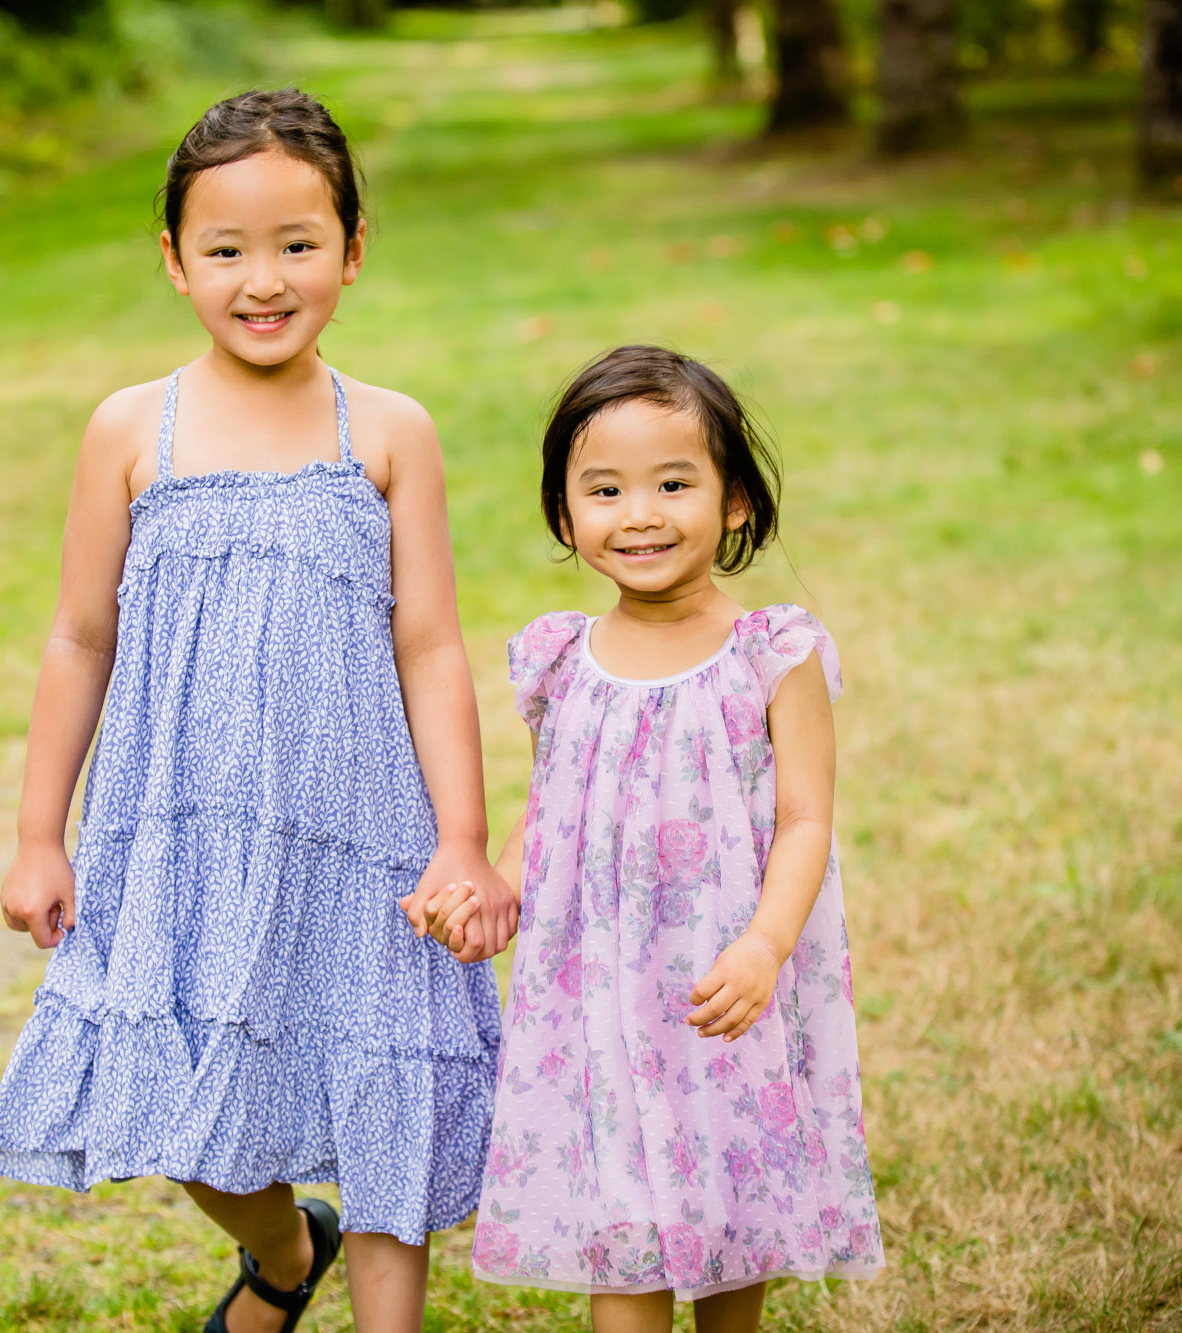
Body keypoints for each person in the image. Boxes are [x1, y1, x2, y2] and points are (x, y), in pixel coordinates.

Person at [0, 89, 519, 1333]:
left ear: (352, 249)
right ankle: (282, 1250)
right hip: (180, 832)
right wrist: (37, 833)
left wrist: (461, 838)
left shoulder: (384, 431)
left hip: (363, 830)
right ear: (173, 263)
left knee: (382, 1103)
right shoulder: (132, 429)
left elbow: (429, 644)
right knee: (189, 1107)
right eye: (224, 250)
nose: (260, 280)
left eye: (296, 245)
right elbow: (77, 635)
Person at [418, 345, 884, 1333]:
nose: (637, 513)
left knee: (724, 1200)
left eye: (673, 483)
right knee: (616, 1217)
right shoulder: (562, 661)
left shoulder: (770, 653)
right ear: (563, 515)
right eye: (603, 489)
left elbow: (805, 818)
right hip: (597, 999)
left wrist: (762, 945)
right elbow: (552, 819)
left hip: (720, 986)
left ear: (734, 505)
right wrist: (494, 897)